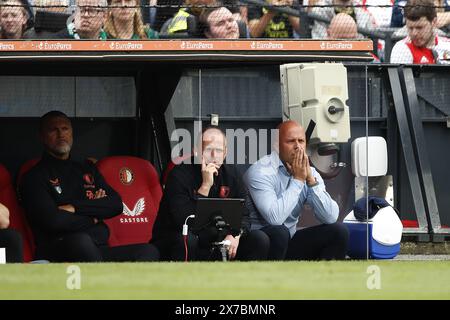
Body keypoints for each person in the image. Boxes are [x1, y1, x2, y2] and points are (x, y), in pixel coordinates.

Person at [19, 111, 159, 262]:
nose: (61, 134)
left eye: (65, 129)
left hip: (98, 248)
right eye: (53, 130)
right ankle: (102, 282)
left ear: (72, 133)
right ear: (42, 137)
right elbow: (54, 220)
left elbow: (115, 204)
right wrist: (94, 216)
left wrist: (74, 208)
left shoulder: (86, 168)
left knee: (148, 251)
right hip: (60, 250)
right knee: (81, 242)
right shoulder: (34, 176)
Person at [151, 126, 270, 261]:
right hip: (178, 239)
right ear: (197, 152)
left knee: (259, 240)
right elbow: (184, 221)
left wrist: (235, 235)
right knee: (188, 240)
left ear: (225, 153)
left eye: (219, 150)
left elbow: (245, 216)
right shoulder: (179, 175)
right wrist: (206, 186)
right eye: (208, 149)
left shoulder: (232, 175)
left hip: (218, 239)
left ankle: (246, 281)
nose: (214, 155)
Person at [244, 120, 349, 260]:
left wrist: (311, 181)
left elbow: (330, 217)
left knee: (338, 231)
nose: (298, 147)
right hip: (262, 244)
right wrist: (298, 180)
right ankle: (272, 280)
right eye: (291, 141)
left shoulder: (310, 172)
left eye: (301, 141)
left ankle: (326, 279)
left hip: (290, 242)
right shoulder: (260, 171)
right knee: (279, 232)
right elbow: (275, 219)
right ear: (277, 145)